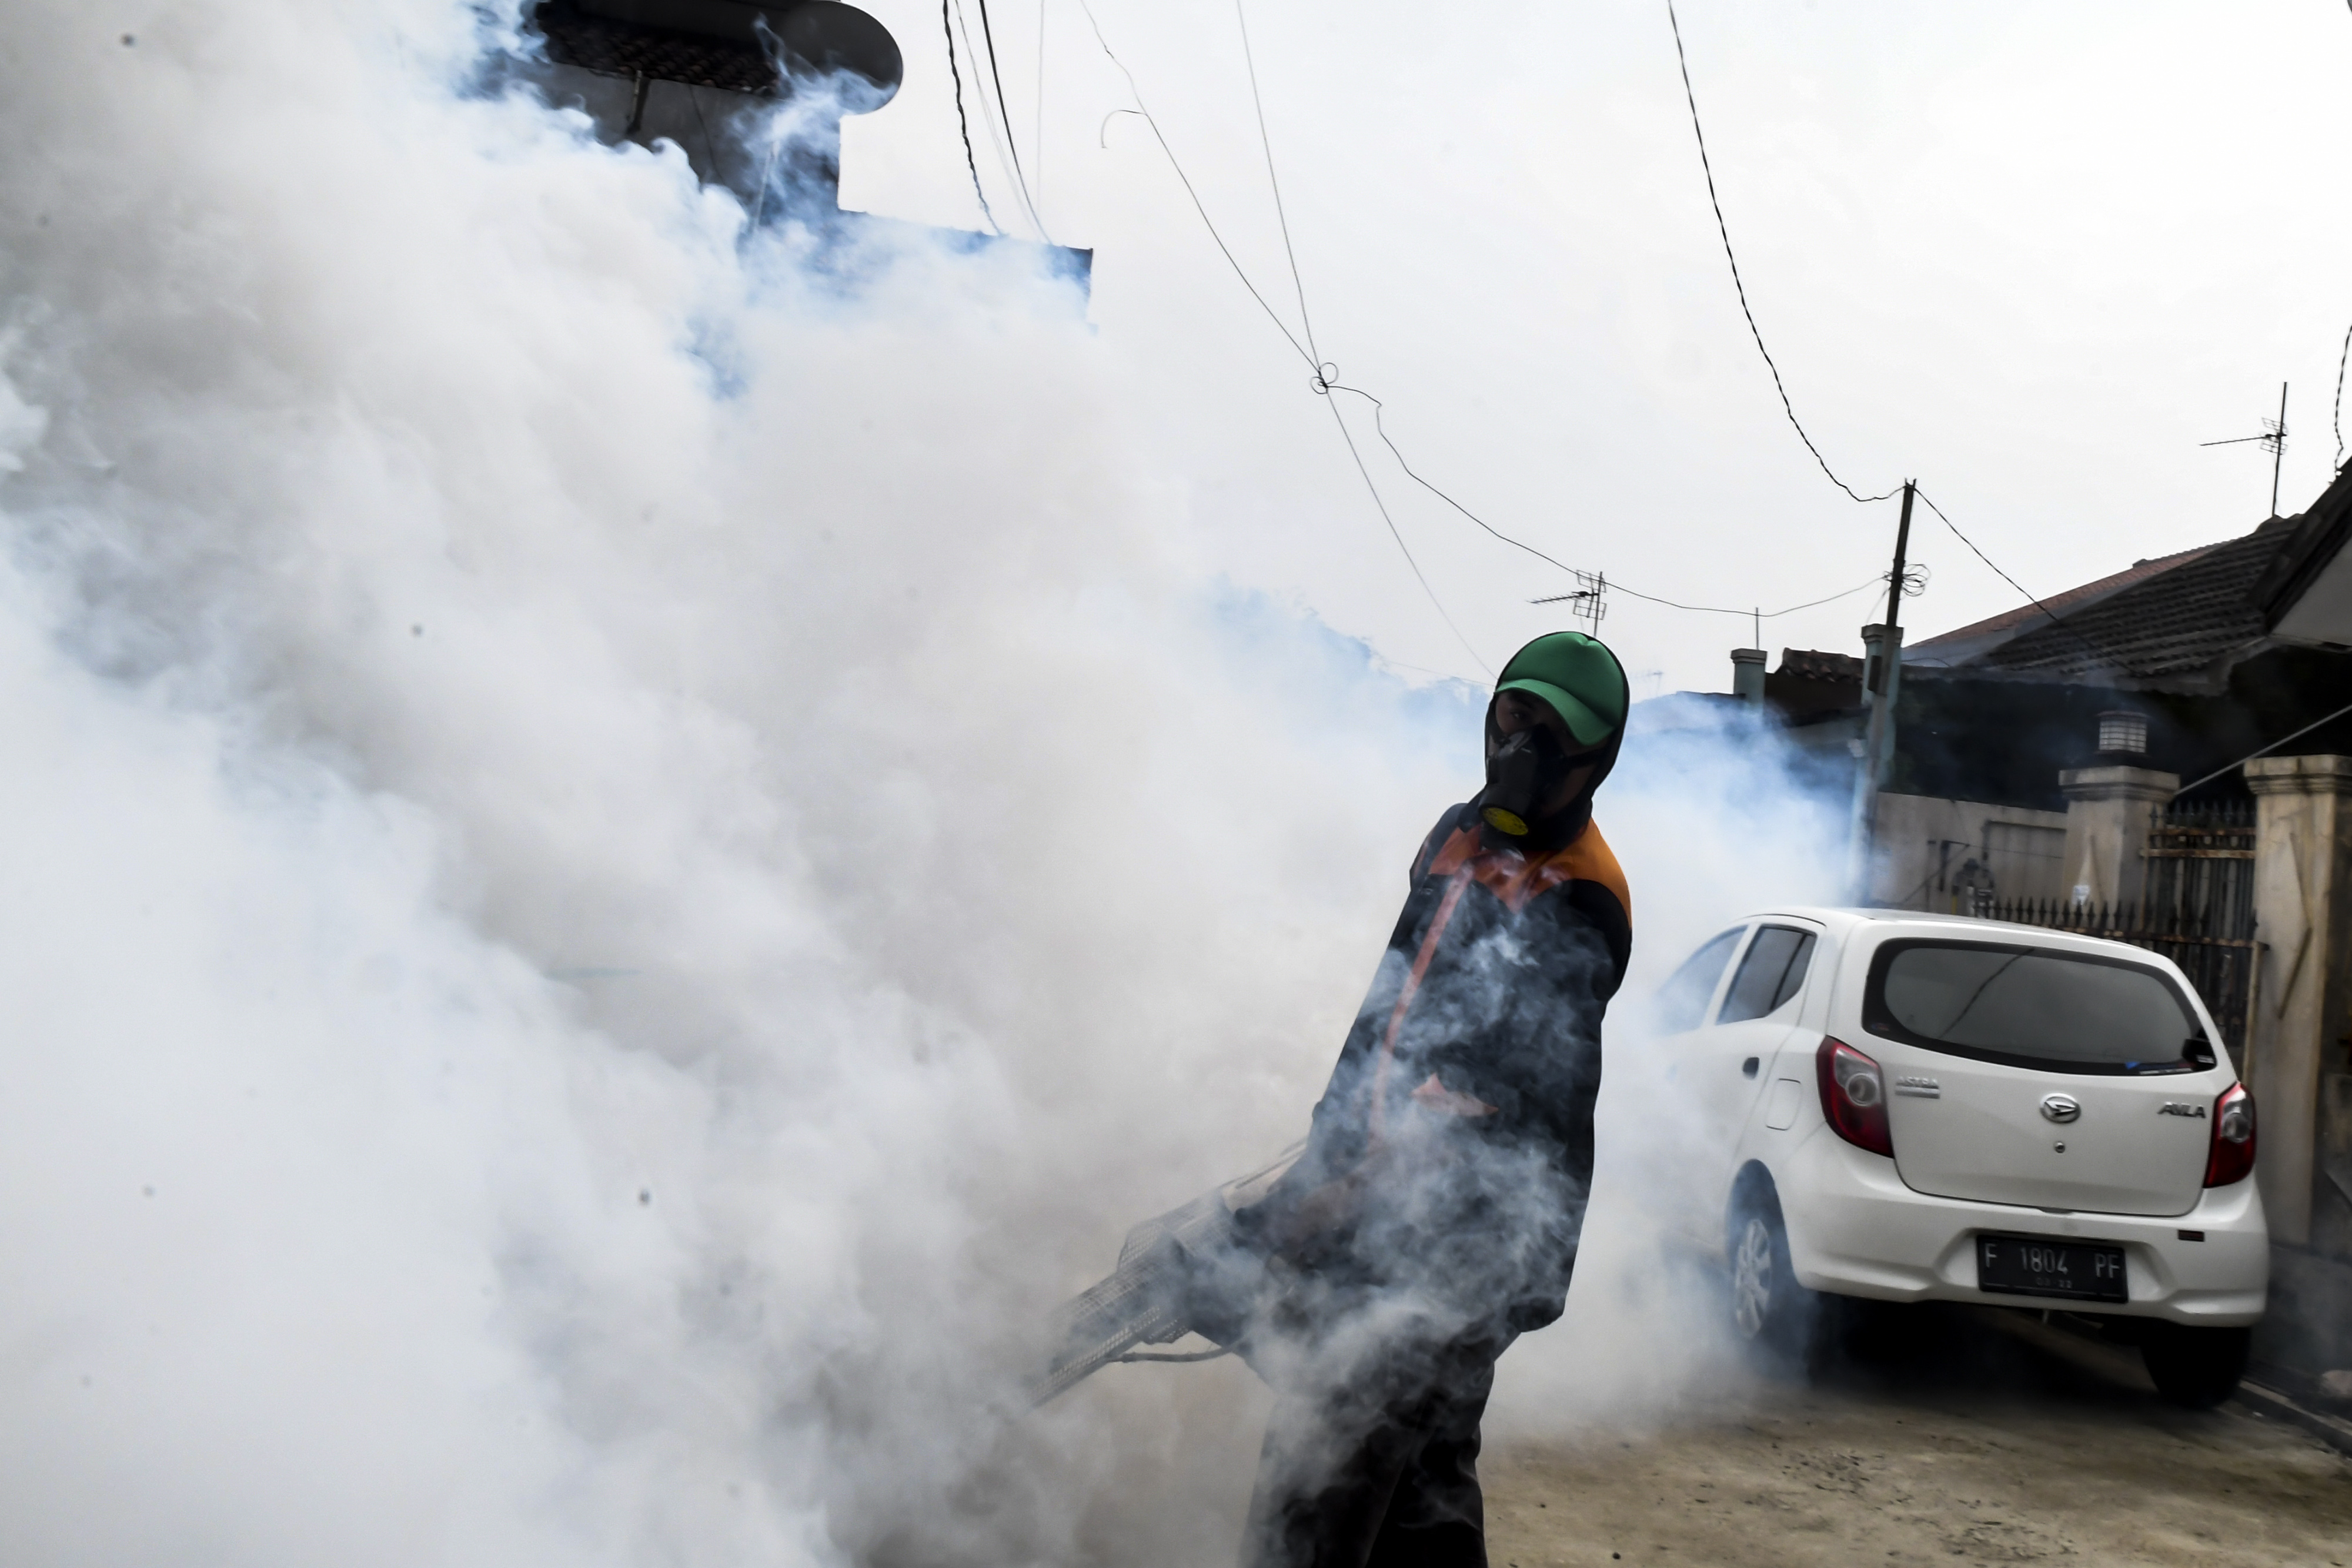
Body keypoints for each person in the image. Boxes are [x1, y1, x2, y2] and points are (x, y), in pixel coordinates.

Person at [1230, 630, 1632, 1568]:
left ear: (1596, 756)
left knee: (1322, 1477)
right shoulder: (1454, 834)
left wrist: (1361, 1190)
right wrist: (1325, 1155)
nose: (1521, 746)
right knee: (1424, 1494)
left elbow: (1510, 1104)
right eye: (1512, 715)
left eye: (1552, 731)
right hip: (1380, 1204)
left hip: (1463, 1244)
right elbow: (1389, 1012)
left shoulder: (1585, 897)